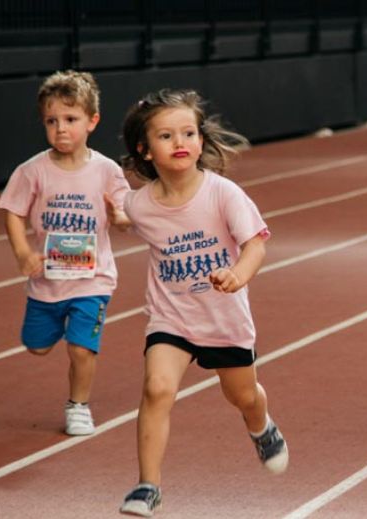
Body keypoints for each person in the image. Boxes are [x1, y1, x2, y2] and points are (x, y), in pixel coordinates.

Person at [115, 89, 286, 517]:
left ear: (201, 140)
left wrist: (237, 275)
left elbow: (255, 245)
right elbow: (125, 216)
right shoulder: (140, 204)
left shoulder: (223, 193)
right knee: (157, 389)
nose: (180, 142)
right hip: (171, 318)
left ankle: (261, 427)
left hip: (224, 320)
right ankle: (148, 486)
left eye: (188, 133)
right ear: (145, 150)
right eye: (166, 136)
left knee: (242, 396)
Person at [0, 70, 131, 437]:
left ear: (92, 121)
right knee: (37, 346)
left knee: (81, 349)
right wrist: (23, 252)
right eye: (51, 121)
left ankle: (78, 406)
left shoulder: (106, 171)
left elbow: (125, 216)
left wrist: (120, 217)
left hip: (93, 280)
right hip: (48, 280)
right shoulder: (32, 171)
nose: (61, 129)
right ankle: (55, 325)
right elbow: (13, 212)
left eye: (70, 119)